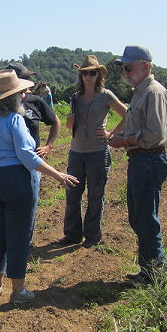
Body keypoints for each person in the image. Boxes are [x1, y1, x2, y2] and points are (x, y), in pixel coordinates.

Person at [0, 69, 78, 304]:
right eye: (20, 93)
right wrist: (58, 174)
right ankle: (19, 291)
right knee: (19, 234)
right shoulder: (15, 120)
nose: (24, 95)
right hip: (14, 179)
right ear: (11, 98)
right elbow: (27, 156)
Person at [106, 46, 167, 287]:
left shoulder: (154, 93)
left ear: (146, 66)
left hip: (149, 159)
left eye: (128, 67)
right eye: (123, 68)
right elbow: (140, 129)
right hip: (140, 159)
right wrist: (121, 136)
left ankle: (153, 274)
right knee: (139, 216)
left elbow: (154, 134)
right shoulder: (140, 92)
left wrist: (124, 140)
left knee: (145, 217)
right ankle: (149, 269)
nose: (125, 72)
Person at [61, 55, 127, 248]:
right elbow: (70, 128)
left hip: (98, 152)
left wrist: (111, 133)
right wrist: (68, 124)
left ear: (99, 75)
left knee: (95, 195)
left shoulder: (106, 95)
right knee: (73, 194)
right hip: (76, 152)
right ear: (80, 76)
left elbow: (127, 115)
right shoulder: (75, 97)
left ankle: (92, 236)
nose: (88, 76)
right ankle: (72, 234)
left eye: (92, 72)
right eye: (85, 73)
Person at [4, 62, 61, 245]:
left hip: (31, 165)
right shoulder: (0, 104)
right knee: (8, 210)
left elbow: (55, 121)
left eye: (28, 78)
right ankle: (8, 250)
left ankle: (23, 250)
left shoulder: (35, 101)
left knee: (28, 210)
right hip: (8, 166)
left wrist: (48, 146)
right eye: (25, 78)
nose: (30, 81)